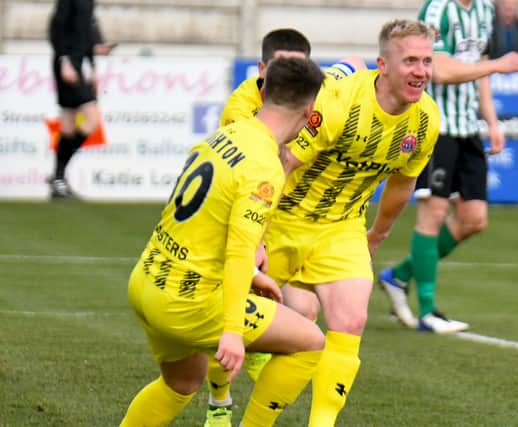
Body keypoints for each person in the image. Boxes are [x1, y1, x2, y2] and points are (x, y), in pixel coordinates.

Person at [119, 57, 327, 427]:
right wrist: (232, 331)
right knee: (311, 340)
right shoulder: (265, 165)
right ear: (310, 110)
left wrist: (251, 274)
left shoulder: (225, 134)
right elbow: (238, 251)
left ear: (264, 93)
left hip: (147, 280)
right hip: (189, 302)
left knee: (181, 383)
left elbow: (207, 223)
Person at [259, 19, 440, 426]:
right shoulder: (339, 101)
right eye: (410, 60)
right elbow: (285, 163)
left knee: (350, 321)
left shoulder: (426, 119)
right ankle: (223, 404)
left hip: (342, 227)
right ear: (384, 65)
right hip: (285, 219)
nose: (421, 71)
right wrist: (256, 228)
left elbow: (403, 181)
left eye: (427, 61)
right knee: (265, 328)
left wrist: (378, 233)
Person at [202, 28, 365, 427]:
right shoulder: (241, 109)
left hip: (288, 216)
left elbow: (358, 65)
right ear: (262, 70)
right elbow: (268, 164)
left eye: (299, 69)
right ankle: (219, 401)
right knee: (230, 320)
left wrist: (341, 75)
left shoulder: (313, 90)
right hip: (247, 212)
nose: (289, 78)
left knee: (299, 321)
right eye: (280, 68)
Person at [379, 0, 518, 333]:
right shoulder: (438, 10)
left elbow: (481, 66)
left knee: (474, 219)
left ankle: (399, 276)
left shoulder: (485, 9)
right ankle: (428, 311)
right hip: (436, 126)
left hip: (467, 128)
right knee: (433, 214)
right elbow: (440, 70)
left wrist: (491, 121)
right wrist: (497, 66)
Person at [48, 0, 114, 198]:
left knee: (68, 123)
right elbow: (57, 27)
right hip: (68, 62)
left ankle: (58, 180)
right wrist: (64, 61)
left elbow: (87, 31)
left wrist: (93, 64)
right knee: (91, 118)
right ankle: (58, 178)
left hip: (79, 62)